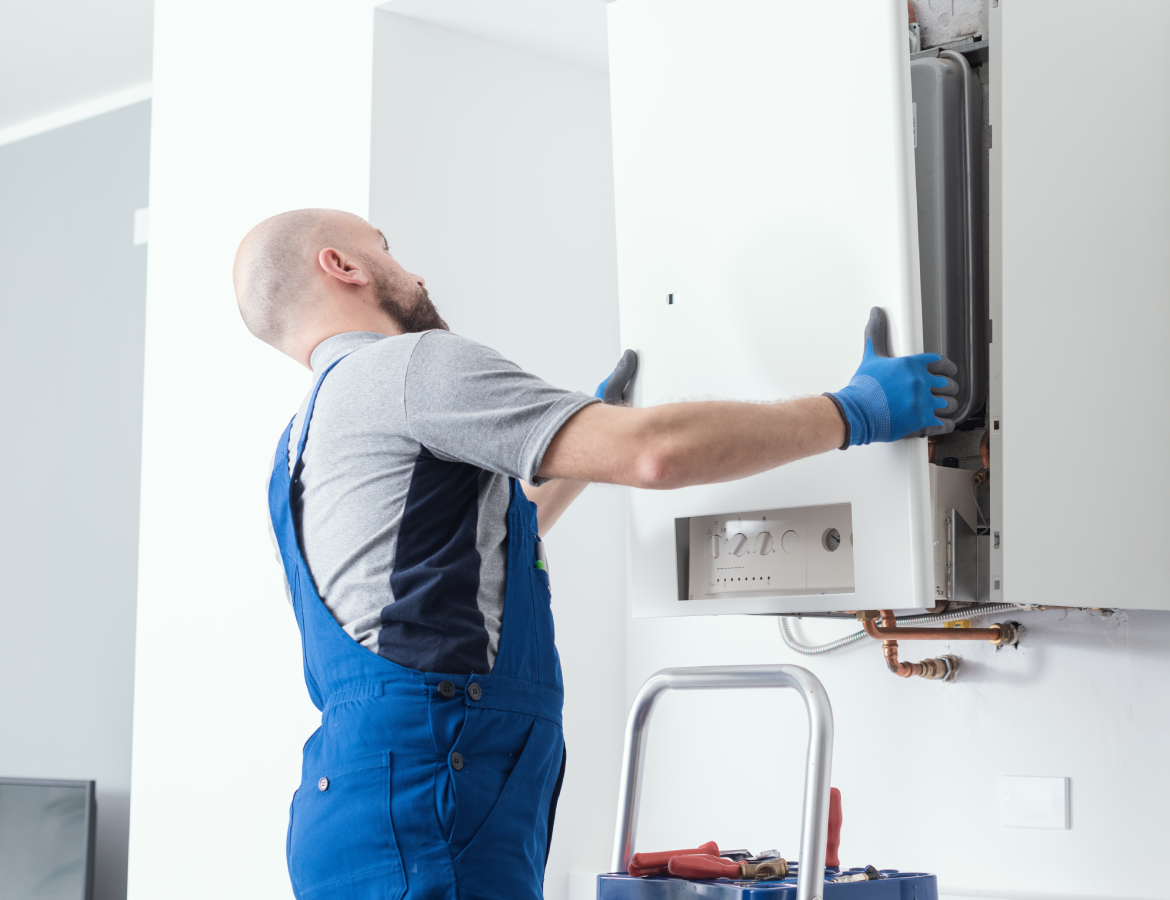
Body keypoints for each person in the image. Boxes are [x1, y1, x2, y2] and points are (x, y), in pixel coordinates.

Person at [232, 208, 959, 900]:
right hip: (431, 793)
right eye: (385, 246)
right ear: (343, 265)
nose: (414, 273)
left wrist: (569, 453)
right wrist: (855, 412)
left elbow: (471, 558)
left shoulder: (298, 444)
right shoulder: (410, 368)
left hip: (359, 805)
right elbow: (655, 455)